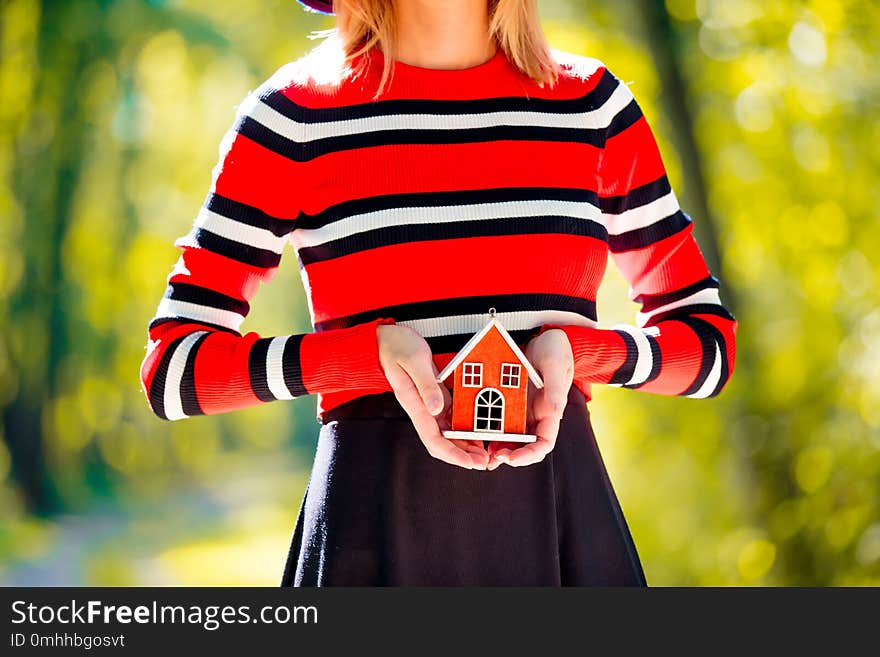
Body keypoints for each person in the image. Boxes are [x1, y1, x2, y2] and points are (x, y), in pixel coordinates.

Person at [139, 0, 738, 586]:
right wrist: (363, 356)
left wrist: (581, 352)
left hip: (561, 531)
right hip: (369, 539)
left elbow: (709, 349)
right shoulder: (291, 117)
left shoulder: (592, 107)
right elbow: (174, 372)